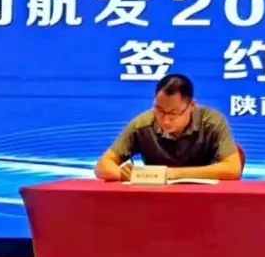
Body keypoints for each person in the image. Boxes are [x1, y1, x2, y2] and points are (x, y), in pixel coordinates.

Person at [94, 74, 243, 181]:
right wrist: (122, 174)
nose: (165, 120)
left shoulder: (212, 122)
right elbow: (102, 165)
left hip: (204, 198)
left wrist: (173, 174)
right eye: (159, 110)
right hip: (155, 198)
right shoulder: (142, 125)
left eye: (173, 114)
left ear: (191, 106)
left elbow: (233, 169)